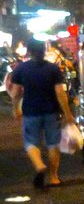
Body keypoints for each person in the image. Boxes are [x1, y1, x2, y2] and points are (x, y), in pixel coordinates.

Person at [10, 39, 76, 188]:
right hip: (51, 112)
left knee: (31, 142)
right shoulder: (53, 69)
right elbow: (60, 92)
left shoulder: (21, 69)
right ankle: (54, 177)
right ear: (44, 51)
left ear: (29, 51)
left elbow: (15, 93)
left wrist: (15, 109)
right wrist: (68, 113)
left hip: (30, 112)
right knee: (53, 144)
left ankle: (39, 165)